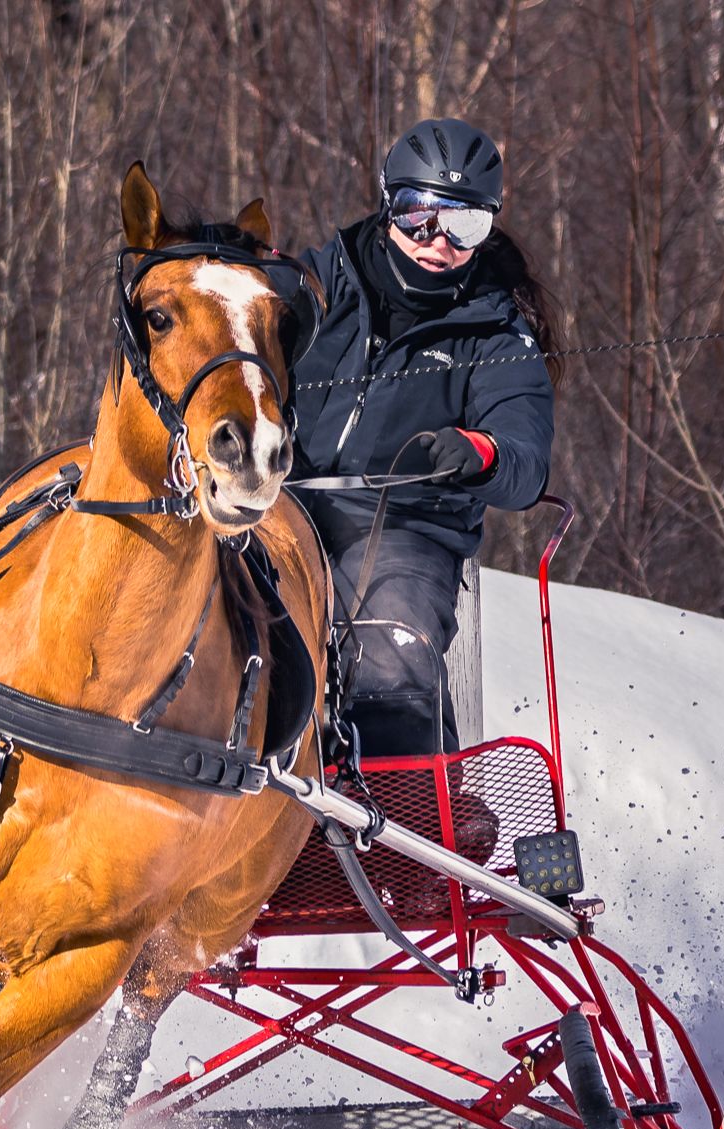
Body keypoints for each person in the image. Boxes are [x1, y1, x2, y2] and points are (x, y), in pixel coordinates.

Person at [290, 117, 559, 757]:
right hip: (280, 505)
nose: (437, 242)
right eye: (420, 217)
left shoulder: (494, 335)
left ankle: (408, 832)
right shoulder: (317, 286)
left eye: (466, 227)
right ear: (390, 205)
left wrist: (479, 452)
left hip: (405, 529)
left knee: (388, 648)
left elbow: (524, 458)